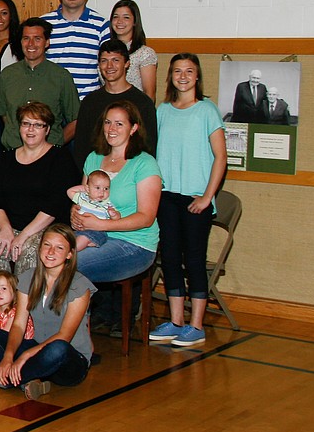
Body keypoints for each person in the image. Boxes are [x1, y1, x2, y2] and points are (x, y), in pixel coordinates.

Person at [149, 53, 227, 348]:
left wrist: (208, 196)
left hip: (196, 199)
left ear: (197, 77)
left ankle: (196, 325)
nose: (183, 76)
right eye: (177, 71)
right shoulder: (163, 110)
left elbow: (221, 157)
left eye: (189, 71)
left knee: (193, 259)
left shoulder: (207, 110)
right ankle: (176, 321)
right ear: (170, 77)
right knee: (169, 258)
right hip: (166, 197)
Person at [0, 225, 94, 398]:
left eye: (59, 248)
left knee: (58, 348)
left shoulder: (80, 285)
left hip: (68, 360)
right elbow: (18, 325)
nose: (50, 252)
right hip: (36, 350)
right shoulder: (28, 278)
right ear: (40, 247)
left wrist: (24, 356)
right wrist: (8, 357)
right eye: (47, 245)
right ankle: (27, 380)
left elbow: (65, 336)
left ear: (70, 254)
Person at [0, 102, 82, 279]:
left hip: (46, 227)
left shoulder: (60, 158)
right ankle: (1, 304)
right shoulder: (6, 159)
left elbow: (55, 205)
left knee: (29, 250)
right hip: (10, 225)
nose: (30, 129)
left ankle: (26, 305)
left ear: (47, 129)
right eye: (26, 123)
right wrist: (5, 229)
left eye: (38, 125)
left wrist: (24, 235)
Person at [71, 101, 162, 283]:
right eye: (107, 122)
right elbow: (82, 197)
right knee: (48, 253)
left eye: (119, 124)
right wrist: (74, 212)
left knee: (71, 265)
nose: (111, 128)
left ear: (133, 128)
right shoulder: (94, 158)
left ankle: (72, 312)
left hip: (134, 243)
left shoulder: (145, 164)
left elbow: (146, 217)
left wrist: (101, 225)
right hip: (92, 234)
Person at [0, 18, 80, 150]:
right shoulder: (7, 75)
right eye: (26, 38)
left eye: (37, 38)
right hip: (13, 152)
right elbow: (3, 113)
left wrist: (56, 144)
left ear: (47, 42)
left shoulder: (61, 76)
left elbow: (76, 120)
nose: (31, 44)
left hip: (49, 156)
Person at [72, 39, 158, 166]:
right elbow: (81, 147)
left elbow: (149, 147)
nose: (109, 66)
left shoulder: (143, 103)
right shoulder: (90, 102)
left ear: (127, 63)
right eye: (104, 61)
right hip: (95, 175)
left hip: (131, 176)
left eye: (115, 60)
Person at [39, 0, 109, 100]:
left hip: (88, 102)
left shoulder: (102, 25)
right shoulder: (43, 23)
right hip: (51, 101)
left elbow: (108, 66)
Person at [109, 0, 157, 101]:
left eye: (126, 17)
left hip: (134, 111)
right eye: (115, 17)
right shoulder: (105, 51)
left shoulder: (145, 53)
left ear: (135, 22)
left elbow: (149, 94)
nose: (119, 21)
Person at [69, 170, 120, 252]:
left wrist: (114, 214)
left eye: (106, 188)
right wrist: (85, 189)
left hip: (97, 232)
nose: (102, 192)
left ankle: (71, 251)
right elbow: (69, 191)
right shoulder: (83, 198)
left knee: (83, 239)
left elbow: (117, 219)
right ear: (88, 188)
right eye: (97, 188)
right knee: (65, 237)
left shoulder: (107, 204)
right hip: (79, 230)